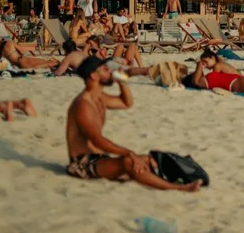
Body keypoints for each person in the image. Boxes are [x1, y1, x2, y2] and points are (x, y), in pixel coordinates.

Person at [65, 56, 201, 191]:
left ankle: (185, 178)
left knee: (149, 160)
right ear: (94, 75)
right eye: (105, 69)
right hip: (82, 164)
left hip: (99, 158)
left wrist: (122, 83)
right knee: (129, 161)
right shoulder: (83, 105)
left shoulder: (99, 97)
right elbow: (97, 140)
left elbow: (126, 103)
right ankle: (178, 188)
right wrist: (129, 153)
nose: (110, 71)